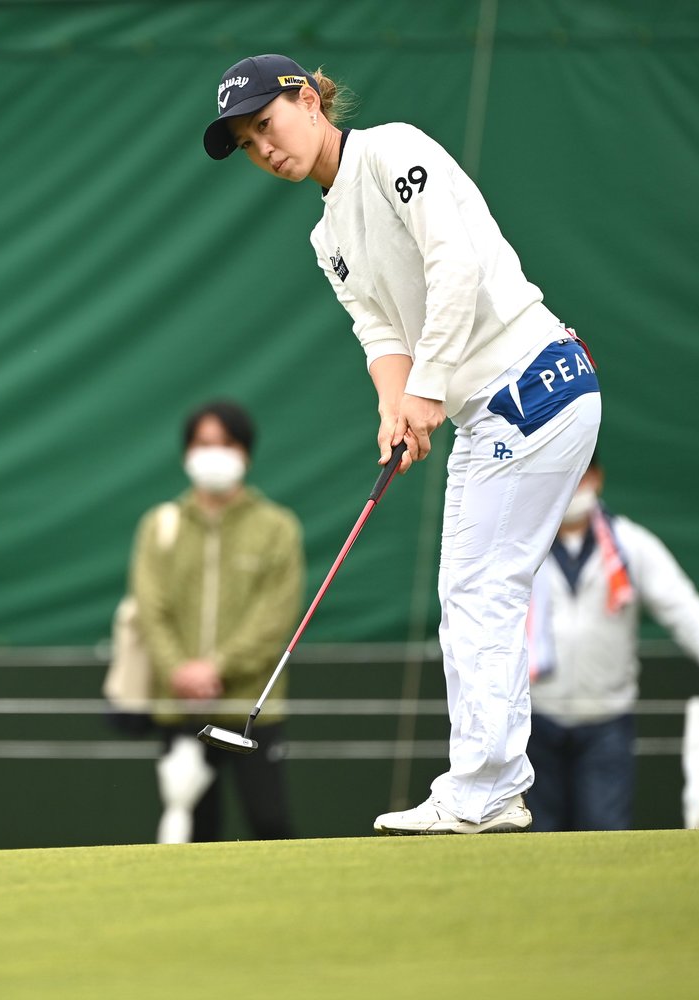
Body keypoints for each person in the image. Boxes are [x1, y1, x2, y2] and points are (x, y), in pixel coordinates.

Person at [203, 54, 602, 834]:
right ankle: (491, 785)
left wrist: (428, 390)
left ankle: (486, 788)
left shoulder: (392, 152)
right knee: (478, 592)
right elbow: (379, 327)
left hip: (531, 385)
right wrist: (396, 403)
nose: (264, 148)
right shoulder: (327, 237)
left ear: (309, 98)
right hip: (499, 405)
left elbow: (453, 266)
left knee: (479, 591)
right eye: (249, 143)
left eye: (267, 123)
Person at [525, 453, 699, 831]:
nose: (572, 489)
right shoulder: (523, 549)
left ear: (597, 478)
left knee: (605, 837)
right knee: (535, 839)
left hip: (607, 721)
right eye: (563, 477)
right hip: (533, 720)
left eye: (580, 476)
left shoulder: (630, 544)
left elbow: (681, 604)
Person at [129, 400, 303, 842]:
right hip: (181, 708)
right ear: (187, 452)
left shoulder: (277, 527)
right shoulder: (159, 525)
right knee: (192, 833)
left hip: (252, 711)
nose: (214, 454)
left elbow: (275, 615)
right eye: (203, 444)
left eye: (225, 444)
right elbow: (151, 609)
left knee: (270, 825)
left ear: (245, 452)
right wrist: (181, 672)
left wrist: (217, 667)